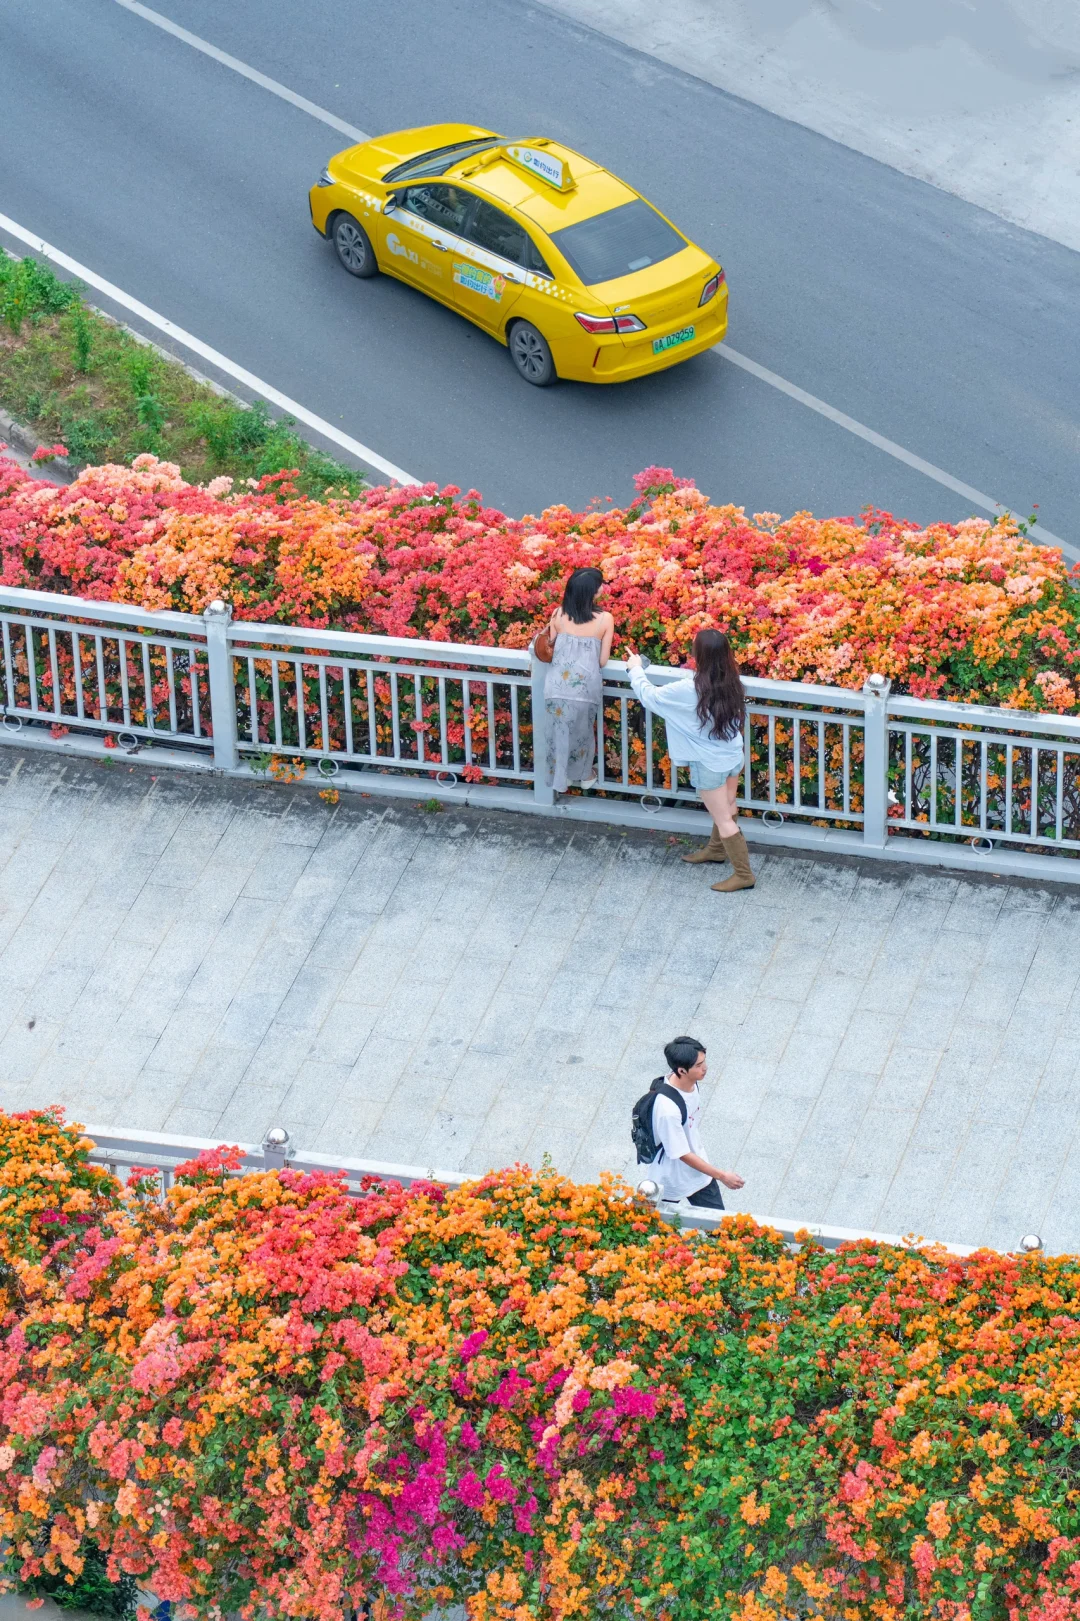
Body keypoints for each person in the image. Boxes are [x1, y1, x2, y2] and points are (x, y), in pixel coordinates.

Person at [625, 628, 754, 892]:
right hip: (732, 755)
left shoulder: (689, 688)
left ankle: (744, 875)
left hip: (708, 762)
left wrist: (635, 669)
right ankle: (716, 851)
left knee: (723, 818)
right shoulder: (733, 681)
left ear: (699, 655)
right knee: (728, 807)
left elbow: (649, 696)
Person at [650, 1036, 744, 1210]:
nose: (705, 1068)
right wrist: (722, 1175)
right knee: (655, 1229)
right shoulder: (667, 1110)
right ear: (682, 1071)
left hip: (699, 1172)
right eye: (698, 1066)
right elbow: (681, 1153)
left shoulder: (690, 1084)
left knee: (720, 1228)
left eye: (703, 1062)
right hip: (671, 1178)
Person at [543, 567, 614, 793]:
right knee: (583, 734)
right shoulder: (605, 619)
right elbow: (602, 661)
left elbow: (550, 648)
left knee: (558, 734)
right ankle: (584, 775)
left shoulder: (558, 614)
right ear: (591, 592)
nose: (603, 587)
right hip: (584, 689)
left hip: (555, 686)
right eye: (600, 584)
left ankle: (560, 778)